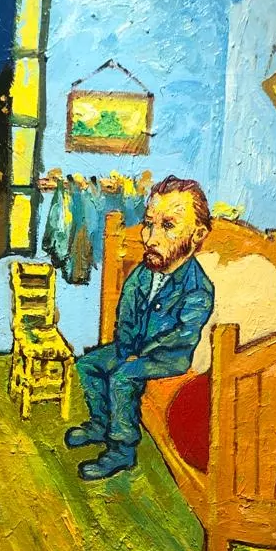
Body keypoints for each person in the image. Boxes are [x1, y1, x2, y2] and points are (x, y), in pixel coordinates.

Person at [66, 175, 215, 481]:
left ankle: (122, 449)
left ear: (198, 234)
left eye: (168, 226)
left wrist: (140, 356)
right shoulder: (142, 273)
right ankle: (100, 423)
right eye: (149, 224)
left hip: (167, 358)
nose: (150, 238)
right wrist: (125, 349)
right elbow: (125, 315)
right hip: (132, 348)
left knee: (123, 377)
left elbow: (183, 334)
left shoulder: (198, 288)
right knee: (88, 365)